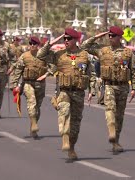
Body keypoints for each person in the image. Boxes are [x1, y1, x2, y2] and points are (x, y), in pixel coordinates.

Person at [37, 28, 95, 161]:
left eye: (69, 39)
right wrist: (52, 42)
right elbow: (40, 55)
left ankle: (71, 147)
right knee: (64, 111)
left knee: (75, 124)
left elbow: (91, 74)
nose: (66, 41)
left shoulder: (85, 55)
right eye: (65, 38)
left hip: (78, 93)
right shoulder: (59, 55)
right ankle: (64, 137)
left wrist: (92, 91)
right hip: (64, 91)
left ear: (76, 40)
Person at [81, 26, 135, 154]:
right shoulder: (102, 50)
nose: (110, 38)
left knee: (119, 116)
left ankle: (116, 142)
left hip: (123, 87)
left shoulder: (128, 53)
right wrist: (99, 35)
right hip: (109, 85)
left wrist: (134, 88)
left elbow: (133, 71)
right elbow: (84, 46)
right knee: (110, 109)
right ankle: (111, 131)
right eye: (109, 36)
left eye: (113, 36)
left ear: (120, 37)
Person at [10, 36, 51, 139]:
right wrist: (14, 84)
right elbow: (18, 70)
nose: (32, 46)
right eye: (30, 43)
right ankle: (34, 124)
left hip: (40, 84)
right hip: (28, 83)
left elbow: (53, 66)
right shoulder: (24, 56)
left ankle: (33, 125)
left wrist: (47, 74)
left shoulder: (44, 56)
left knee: (37, 108)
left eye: (34, 44)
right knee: (31, 103)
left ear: (38, 45)